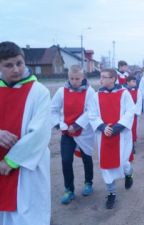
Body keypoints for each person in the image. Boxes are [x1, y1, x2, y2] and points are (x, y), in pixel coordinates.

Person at [0, 41, 51, 224]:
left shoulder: (39, 92)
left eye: (19, 63)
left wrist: (11, 160)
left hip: (27, 169)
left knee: (28, 216)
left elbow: (40, 133)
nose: (15, 69)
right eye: (8, 65)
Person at [88, 69, 135, 209]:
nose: (101, 79)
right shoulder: (96, 96)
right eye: (100, 77)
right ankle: (111, 193)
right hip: (104, 136)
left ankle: (129, 174)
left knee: (122, 162)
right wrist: (102, 126)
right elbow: (92, 114)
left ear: (113, 79)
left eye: (104, 77)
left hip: (120, 135)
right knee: (106, 165)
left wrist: (118, 127)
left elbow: (130, 111)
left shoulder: (124, 93)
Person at [51, 65, 96, 205]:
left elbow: (91, 111)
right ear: (68, 77)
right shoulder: (61, 91)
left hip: (84, 132)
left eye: (77, 78)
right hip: (67, 132)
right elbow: (53, 109)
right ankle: (69, 190)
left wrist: (76, 125)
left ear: (83, 77)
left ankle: (88, 182)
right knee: (65, 160)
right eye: (71, 78)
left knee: (86, 158)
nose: (74, 81)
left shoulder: (90, 91)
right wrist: (60, 125)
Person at [123, 74, 142, 161]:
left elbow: (139, 101)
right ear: (128, 82)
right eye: (133, 81)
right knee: (126, 130)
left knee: (133, 129)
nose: (135, 83)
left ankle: (132, 145)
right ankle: (126, 145)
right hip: (125, 114)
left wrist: (134, 111)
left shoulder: (137, 91)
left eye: (135, 81)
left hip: (133, 114)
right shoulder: (123, 91)